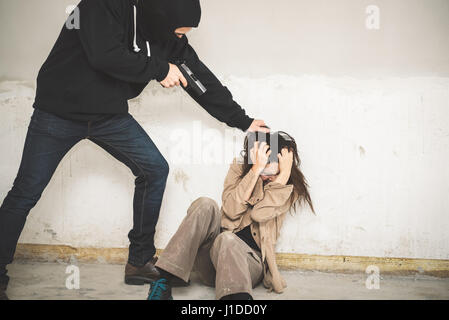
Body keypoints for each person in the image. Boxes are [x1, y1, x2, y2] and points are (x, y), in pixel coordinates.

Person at [0, 0, 270, 300]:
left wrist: (242, 120)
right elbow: (104, 55)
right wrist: (159, 69)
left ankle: (139, 261)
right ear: (163, 16)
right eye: (179, 32)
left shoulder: (167, 37)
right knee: (25, 192)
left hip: (108, 116)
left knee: (154, 169)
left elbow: (199, 79)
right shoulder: (103, 5)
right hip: (58, 112)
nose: (180, 39)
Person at [147, 131, 315, 300]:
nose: (267, 177)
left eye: (273, 173)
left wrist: (283, 175)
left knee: (228, 239)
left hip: (248, 265)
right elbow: (230, 210)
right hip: (213, 260)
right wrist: (255, 171)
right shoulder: (240, 169)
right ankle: (163, 279)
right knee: (206, 204)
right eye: (263, 170)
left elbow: (259, 213)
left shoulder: (288, 188)